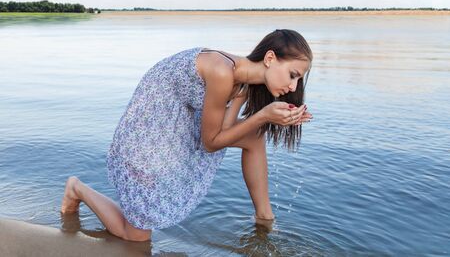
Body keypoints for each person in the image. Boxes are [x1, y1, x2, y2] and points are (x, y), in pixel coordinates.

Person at [61, 29, 313, 242]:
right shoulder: (222, 71)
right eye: (293, 75)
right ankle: (78, 189)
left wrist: (270, 118)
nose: (293, 87)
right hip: (148, 129)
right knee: (135, 238)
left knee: (254, 136)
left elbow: (223, 133)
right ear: (270, 58)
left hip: (177, 123)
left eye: (298, 80)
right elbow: (211, 142)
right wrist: (263, 116)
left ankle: (264, 220)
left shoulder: (244, 83)